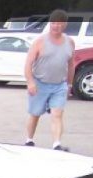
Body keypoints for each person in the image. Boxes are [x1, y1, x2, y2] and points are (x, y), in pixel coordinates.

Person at [24, 9, 75, 151]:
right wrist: (30, 82)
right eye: (53, 23)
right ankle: (29, 140)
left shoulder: (70, 42)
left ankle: (56, 144)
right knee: (35, 114)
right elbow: (28, 64)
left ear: (64, 25)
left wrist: (69, 84)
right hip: (39, 84)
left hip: (59, 85)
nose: (55, 26)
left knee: (57, 114)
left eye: (59, 24)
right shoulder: (40, 41)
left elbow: (71, 65)